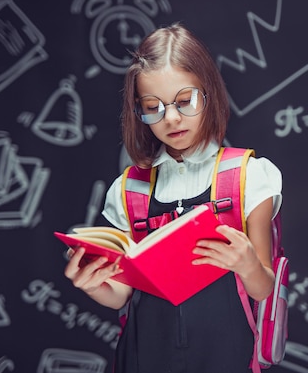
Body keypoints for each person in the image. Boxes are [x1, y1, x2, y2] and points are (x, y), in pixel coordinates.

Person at [64, 22, 283, 373]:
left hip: (225, 358)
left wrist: (246, 264)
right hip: (143, 357)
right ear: (138, 110)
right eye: (153, 106)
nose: (172, 118)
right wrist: (92, 284)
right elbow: (121, 294)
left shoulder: (248, 176)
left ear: (208, 91)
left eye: (185, 101)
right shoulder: (129, 189)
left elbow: (263, 289)